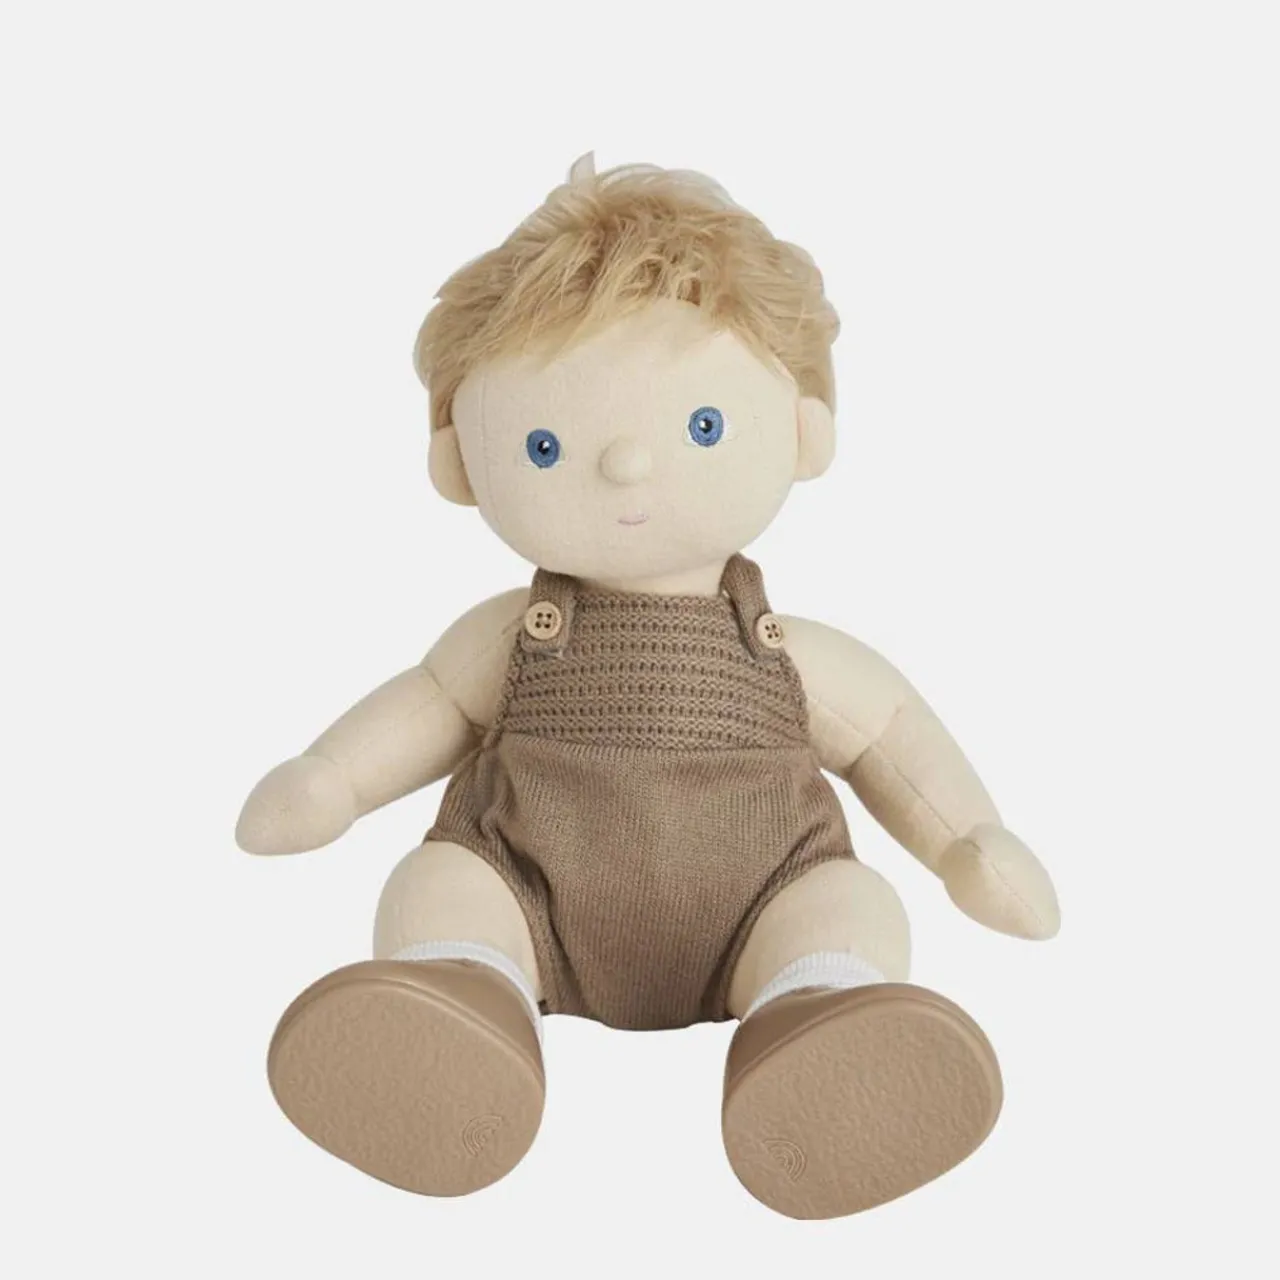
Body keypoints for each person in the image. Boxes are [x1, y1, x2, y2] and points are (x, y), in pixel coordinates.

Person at [236, 155, 1059, 1219]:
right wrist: (332, 781)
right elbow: (430, 702)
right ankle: (461, 993)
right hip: (526, 893)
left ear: (802, 430)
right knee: (441, 885)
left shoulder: (787, 651)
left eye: (701, 428)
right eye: (545, 444)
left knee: (847, 909)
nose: (625, 467)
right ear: (462, 465)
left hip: (761, 901)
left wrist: (966, 842)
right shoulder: (511, 636)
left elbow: (888, 735)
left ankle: (815, 1016)